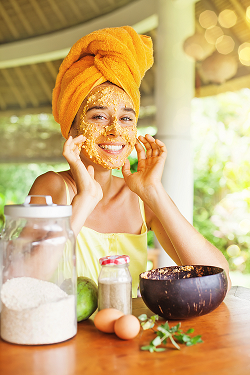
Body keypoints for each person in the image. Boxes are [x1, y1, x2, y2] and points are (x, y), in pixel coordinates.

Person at [29, 26, 231, 297]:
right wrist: (85, 199)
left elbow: (219, 280)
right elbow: (26, 283)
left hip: (132, 337)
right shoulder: (53, 188)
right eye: (98, 116)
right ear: (73, 130)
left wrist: (154, 192)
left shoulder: (140, 199)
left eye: (126, 118)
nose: (115, 130)